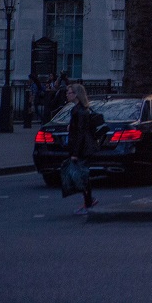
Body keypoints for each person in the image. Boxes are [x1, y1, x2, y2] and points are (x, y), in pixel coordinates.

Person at [65, 83, 98, 214]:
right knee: (83, 175)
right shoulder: (81, 109)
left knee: (81, 176)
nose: (67, 95)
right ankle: (89, 200)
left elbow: (80, 134)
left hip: (82, 148)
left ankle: (89, 202)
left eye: (70, 93)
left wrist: (75, 153)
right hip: (84, 147)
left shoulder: (78, 111)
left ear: (76, 95)